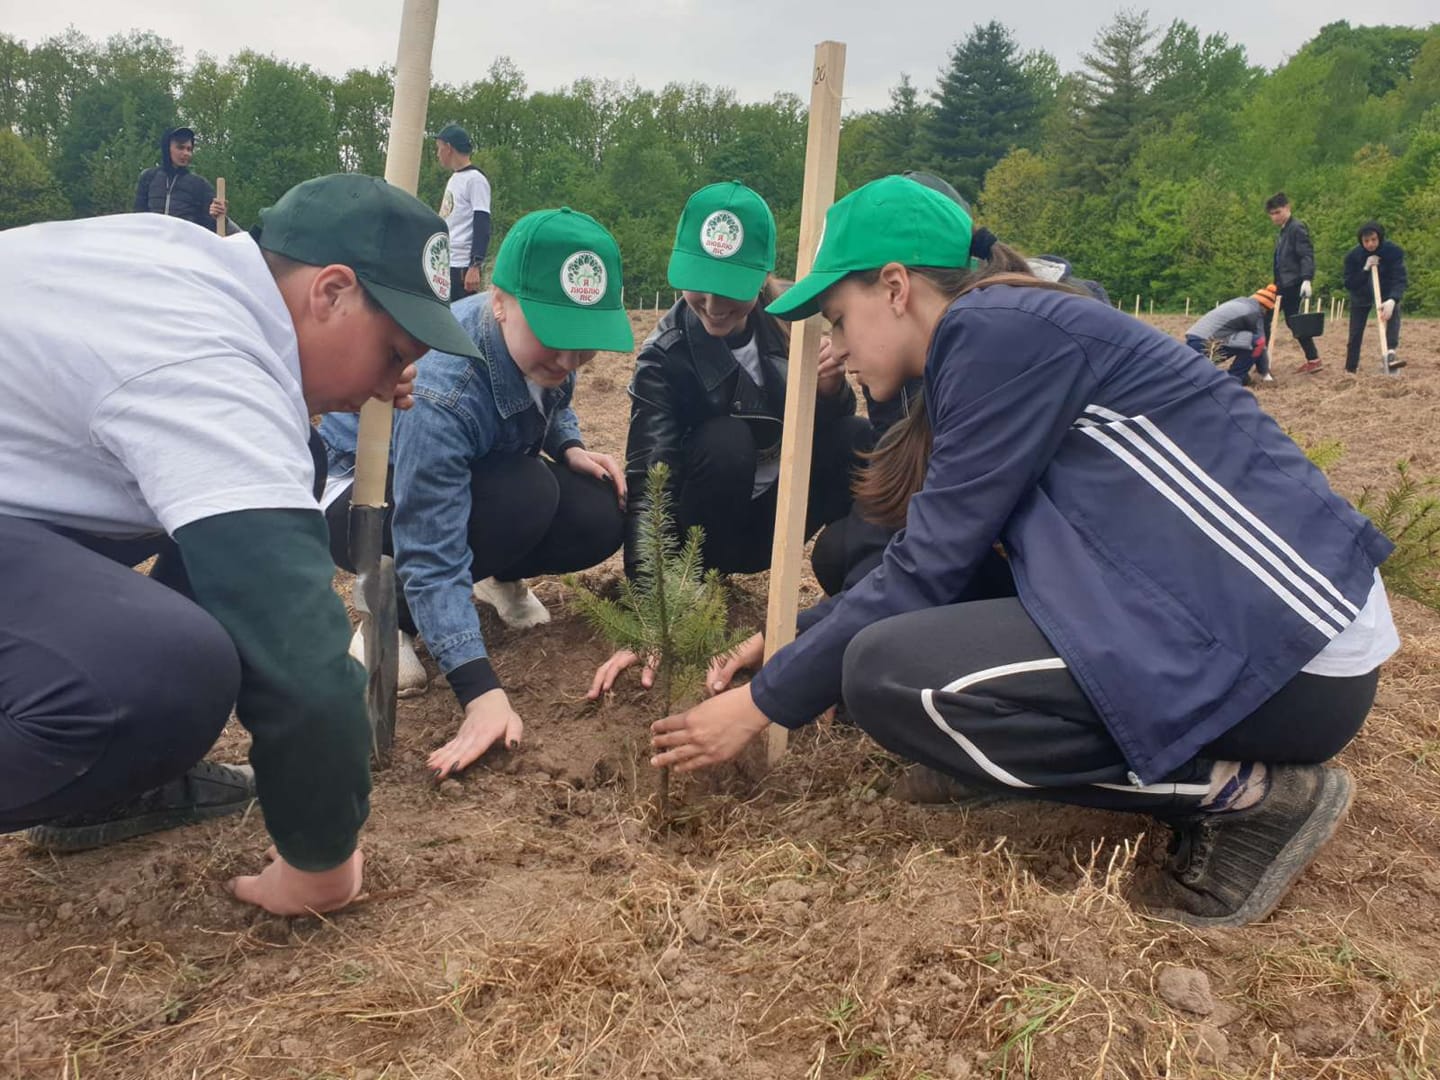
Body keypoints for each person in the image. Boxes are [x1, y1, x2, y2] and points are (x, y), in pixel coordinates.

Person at [650, 175, 1399, 929]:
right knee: (903, 648)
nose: (836, 349)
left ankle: (1250, 797)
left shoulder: (994, 334)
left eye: (840, 319)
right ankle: (990, 760)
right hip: (1232, 622)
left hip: (1288, 654)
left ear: (896, 288)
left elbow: (922, 572)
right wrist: (787, 639)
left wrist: (762, 701)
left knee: (886, 675)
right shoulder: (995, 332)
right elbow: (942, 554)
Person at [0, 173, 479, 916]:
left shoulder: (192, 265)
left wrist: (342, 379)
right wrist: (322, 860)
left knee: (295, 462)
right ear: (331, 292)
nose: (393, 384)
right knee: (158, 673)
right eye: (392, 354)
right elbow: (301, 666)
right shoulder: (202, 359)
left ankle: (111, 785)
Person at [320, 207, 632, 777]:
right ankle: (393, 618)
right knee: (526, 492)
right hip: (361, 496)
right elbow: (431, 544)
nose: (569, 360)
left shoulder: (544, 346)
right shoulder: (444, 388)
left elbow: (552, 398)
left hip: (472, 478)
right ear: (500, 301)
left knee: (596, 510)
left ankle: (493, 576)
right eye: (556, 337)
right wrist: (480, 691)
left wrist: (568, 445)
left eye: (585, 343)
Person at [587, 181, 865, 697]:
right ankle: (696, 588)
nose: (713, 305)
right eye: (699, 284)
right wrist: (655, 609)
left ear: (761, 277)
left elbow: (826, 438)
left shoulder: (795, 324)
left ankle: (853, 603)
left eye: (730, 287)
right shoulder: (664, 355)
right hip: (707, 536)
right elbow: (650, 481)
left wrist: (829, 393)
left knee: (859, 438)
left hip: (774, 525)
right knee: (727, 439)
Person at [432, 123, 492, 303]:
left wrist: (475, 264)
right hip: (446, 262)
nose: (438, 154)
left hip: (461, 266)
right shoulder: (455, 178)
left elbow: (482, 222)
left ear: (449, 148)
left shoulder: (475, 180)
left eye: (439, 148)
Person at [1266, 192, 1322, 375]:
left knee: (1270, 319)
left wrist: (1307, 278)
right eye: (1271, 214)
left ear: (1287, 208)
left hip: (1292, 284)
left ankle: (1262, 361)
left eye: (1277, 212)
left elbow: (1306, 254)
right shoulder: (1284, 230)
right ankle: (1313, 359)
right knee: (1292, 322)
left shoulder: (1296, 228)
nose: (1275, 217)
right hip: (1282, 284)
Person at [134, 125, 229, 233]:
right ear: (167, 148)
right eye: (180, 147)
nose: (186, 153)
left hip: (184, 242)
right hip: (153, 240)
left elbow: (209, 229)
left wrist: (216, 216)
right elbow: (138, 218)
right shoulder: (149, 177)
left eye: (189, 149)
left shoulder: (199, 185)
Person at [1342, 221, 1408, 374]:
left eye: (1373, 240)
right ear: (1361, 241)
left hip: (1386, 293)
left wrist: (1393, 299)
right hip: (1360, 296)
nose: (1370, 244)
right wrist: (1365, 268)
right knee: (1355, 332)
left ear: (1380, 238)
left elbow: (1399, 278)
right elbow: (1350, 283)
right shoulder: (1352, 257)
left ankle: (1390, 355)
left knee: (1393, 315)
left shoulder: (1393, 252)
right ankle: (1351, 368)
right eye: (1366, 241)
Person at [1183, 285, 1276, 385]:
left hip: (1193, 341)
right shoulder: (1254, 312)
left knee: (1248, 339)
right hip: (1206, 344)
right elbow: (1261, 343)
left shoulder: (1238, 302)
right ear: (1265, 307)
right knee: (1258, 341)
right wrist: (1265, 372)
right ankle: (1235, 377)